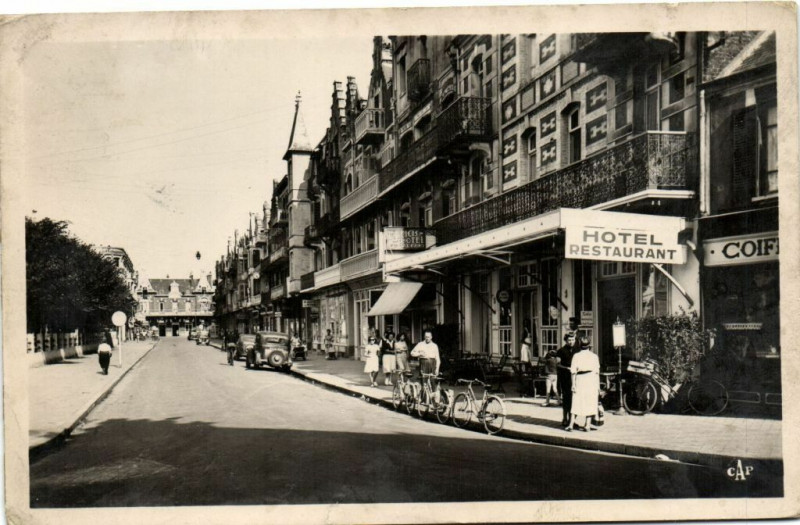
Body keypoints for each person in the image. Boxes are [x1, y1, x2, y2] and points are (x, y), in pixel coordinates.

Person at [568, 337, 601, 432]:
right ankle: (587, 425)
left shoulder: (576, 356)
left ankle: (571, 424)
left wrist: (573, 384)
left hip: (580, 379)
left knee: (576, 401)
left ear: (580, 345)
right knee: (590, 401)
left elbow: (573, 372)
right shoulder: (594, 356)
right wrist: (598, 386)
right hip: (591, 380)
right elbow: (597, 372)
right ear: (589, 346)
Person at [556, 332, 577, 427]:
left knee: (575, 399)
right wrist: (566, 368)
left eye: (572, 340)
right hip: (565, 377)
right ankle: (565, 418)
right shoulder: (561, 351)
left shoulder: (578, 350)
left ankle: (573, 420)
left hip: (576, 377)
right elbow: (558, 364)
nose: (571, 342)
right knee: (566, 399)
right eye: (569, 340)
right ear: (566, 340)